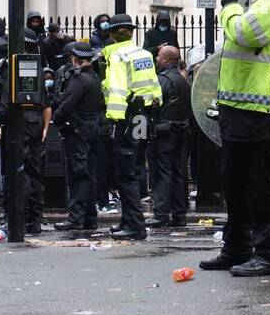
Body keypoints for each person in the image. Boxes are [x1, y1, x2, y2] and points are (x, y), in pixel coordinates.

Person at [199, 0, 270, 276]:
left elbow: (242, 34)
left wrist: (228, 9)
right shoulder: (250, 2)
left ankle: (269, 254)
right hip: (237, 110)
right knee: (234, 184)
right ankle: (237, 247)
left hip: (265, 111)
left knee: (266, 185)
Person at [100, 13, 162, 240]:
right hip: (143, 116)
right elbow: (154, 88)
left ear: (112, 33)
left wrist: (114, 120)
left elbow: (117, 89)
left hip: (126, 117)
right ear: (131, 31)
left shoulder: (117, 55)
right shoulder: (144, 54)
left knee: (124, 173)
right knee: (136, 167)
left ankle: (135, 226)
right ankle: (128, 221)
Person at [0, 29, 51, 235]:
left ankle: (16, 217)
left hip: (18, 123)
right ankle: (34, 219)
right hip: (34, 122)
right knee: (33, 172)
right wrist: (44, 126)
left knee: (17, 172)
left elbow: (6, 103)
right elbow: (45, 101)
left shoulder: (12, 66)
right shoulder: (38, 67)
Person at [52, 40, 105, 234]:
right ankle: (90, 217)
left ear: (75, 58)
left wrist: (55, 121)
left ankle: (75, 217)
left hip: (78, 130)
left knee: (78, 174)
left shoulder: (79, 79)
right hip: (92, 129)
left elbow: (67, 104)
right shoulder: (94, 77)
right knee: (89, 174)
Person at [145, 45, 191, 228]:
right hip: (182, 131)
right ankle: (179, 215)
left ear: (165, 60)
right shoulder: (182, 80)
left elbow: (152, 104)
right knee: (180, 173)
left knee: (162, 173)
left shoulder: (163, 80)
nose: (156, 59)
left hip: (165, 133)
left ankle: (161, 214)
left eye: (158, 56)